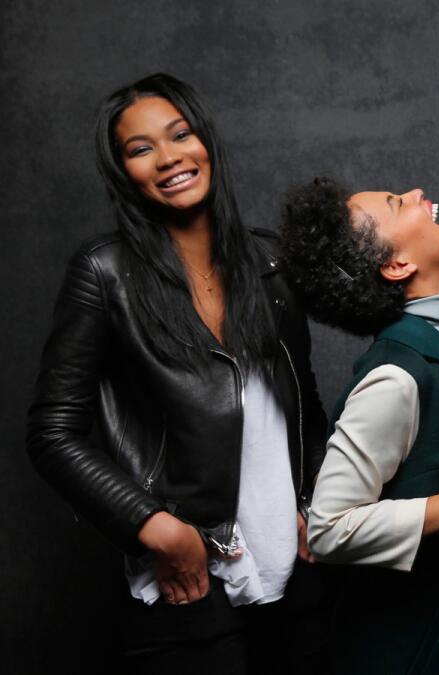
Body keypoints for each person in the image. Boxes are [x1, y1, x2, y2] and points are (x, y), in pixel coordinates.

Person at [25, 73, 328, 672]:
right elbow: (52, 432)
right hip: (187, 581)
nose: (168, 158)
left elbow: (305, 404)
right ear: (124, 173)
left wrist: (316, 501)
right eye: (141, 150)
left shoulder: (269, 264)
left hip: (296, 575)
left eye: (180, 135)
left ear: (205, 142)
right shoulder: (104, 273)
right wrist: (154, 526)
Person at [279, 177, 439, 674]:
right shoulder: (394, 376)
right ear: (396, 265)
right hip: (408, 651)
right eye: (396, 204)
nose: (414, 192)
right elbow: (327, 529)